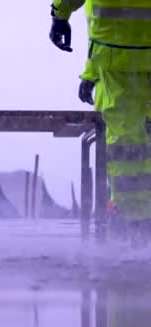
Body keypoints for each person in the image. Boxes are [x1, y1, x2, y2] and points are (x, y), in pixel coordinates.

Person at [49, 0, 151, 228]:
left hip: (117, 54)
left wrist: (59, 15)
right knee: (137, 138)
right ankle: (137, 216)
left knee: (127, 142)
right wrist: (91, 73)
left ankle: (135, 219)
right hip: (116, 54)